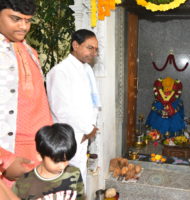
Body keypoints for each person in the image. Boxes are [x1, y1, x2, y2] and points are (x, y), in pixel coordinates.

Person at [0, 0, 53, 185]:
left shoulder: (30, 51)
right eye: (15, 19)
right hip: (10, 157)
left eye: (28, 20)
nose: (23, 26)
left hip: (39, 153)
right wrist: (4, 160)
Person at [46, 29, 101, 184]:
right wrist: (88, 129)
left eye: (96, 49)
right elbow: (61, 110)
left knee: (79, 176)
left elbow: (91, 101)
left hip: (83, 133)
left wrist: (90, 127)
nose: (94, 53)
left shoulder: (86, 69)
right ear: (75, 45)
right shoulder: (60, 72)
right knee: (67, 179)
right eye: (90, 48)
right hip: (67, 136)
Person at [12, 123, 85, 200]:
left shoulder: (74, 173)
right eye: (57, 161)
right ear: (40, 156)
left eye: (66, 160)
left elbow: (80, 196)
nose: (63, 166)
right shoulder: (23, 184)